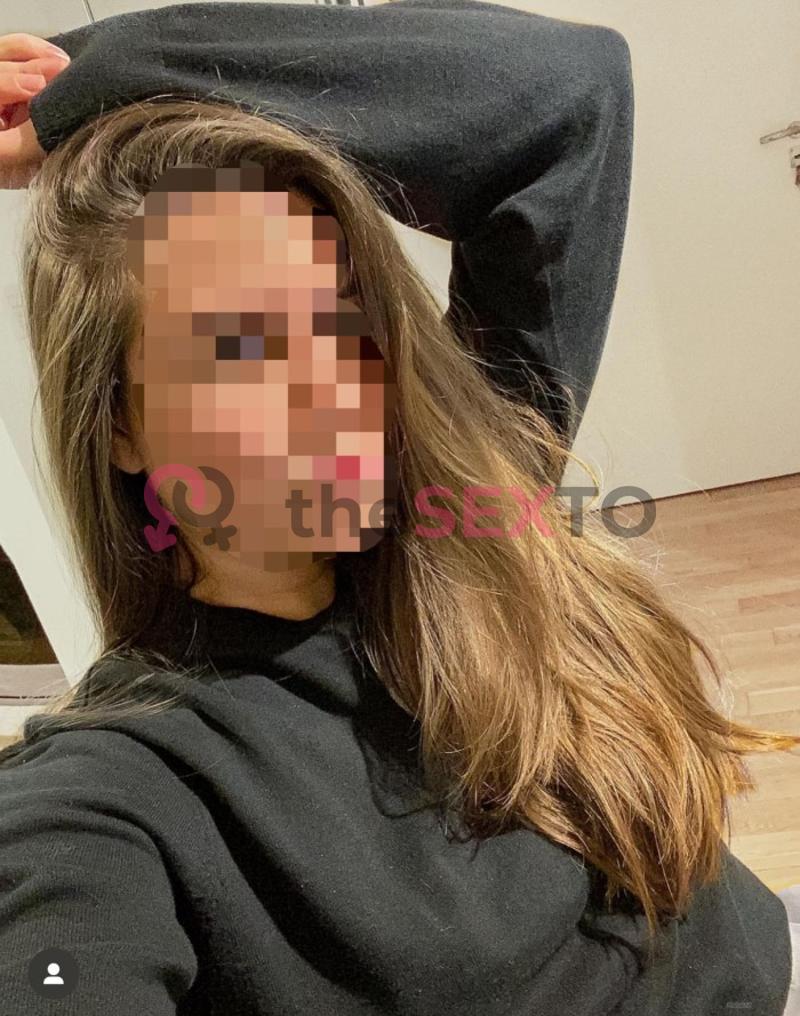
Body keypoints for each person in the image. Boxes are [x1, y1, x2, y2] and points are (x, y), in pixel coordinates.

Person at [0, 3, 797, 1014]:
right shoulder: (117, 792)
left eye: (345, 321)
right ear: (121, 425)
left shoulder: (469, 516)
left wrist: (87, 78)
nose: (338, 391)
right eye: (242, 345)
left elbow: (567, 89)